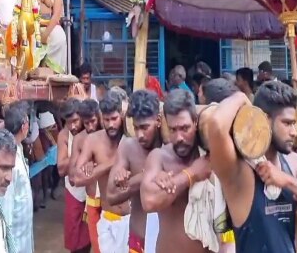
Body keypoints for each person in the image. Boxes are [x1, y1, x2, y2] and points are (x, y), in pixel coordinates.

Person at [208, 81, 297, 253]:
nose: (294, 132)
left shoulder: (293, 163)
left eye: (295, 124)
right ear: (264, 120)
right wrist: (242, 97)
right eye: (287, 124)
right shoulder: (238, 169)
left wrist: (287, 182)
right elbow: (216, 124)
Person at [141, 89, 210, 253]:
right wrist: (190, 175)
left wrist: (172, 183)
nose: (179, 137)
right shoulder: (159, 157)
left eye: (184, 128)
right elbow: (149, 201)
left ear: (195, 122)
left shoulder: (210, 157)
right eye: (173, 130)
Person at [107, 90, 162, 253]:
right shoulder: (129, 147)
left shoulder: (170, 148)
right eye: (136, 128)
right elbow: (111, 196)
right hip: (138, 240)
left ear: (158, 120)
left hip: (166, 243)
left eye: (145, 127)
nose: (140, 135)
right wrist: (144, 177)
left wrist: (129, 183)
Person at [73, 92, 130, 253]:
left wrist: (96, 168)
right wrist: (112, 163)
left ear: (122, 115)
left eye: (114, 119)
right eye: (106, 119)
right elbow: (77, 178)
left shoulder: (132, 139)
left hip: (133, 220)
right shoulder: (93, 141)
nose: (111, 124)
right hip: (108, 218)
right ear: (100, 117)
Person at [56, 99, 90, 253]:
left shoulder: (92, 129)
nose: (73, 126)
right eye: (68, 122)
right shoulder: (64, 135)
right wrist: (81, 155)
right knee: (75, 240)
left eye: (76, 121)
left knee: (94, 237)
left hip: (92, 193)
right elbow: (61, 169)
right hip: (74, 192)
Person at [67, 99, 100, 252]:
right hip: (92, 201)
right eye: (86, 123)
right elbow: (73, 176)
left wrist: (93, 166)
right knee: (96, 245)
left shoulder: (109, 134)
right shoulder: (80, 139)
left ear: (98, 116)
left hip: (110, 204)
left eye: (93, 121)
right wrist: (84, 165)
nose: (90, 127)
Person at [0, 101, 34, 253]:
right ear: (24, 126)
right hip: (14, 235)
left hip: (23, 228)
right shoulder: (10, 159)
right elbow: (6, 203)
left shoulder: (17, 148)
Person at [36, 0, 66, 74]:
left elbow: (56, 14)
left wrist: (45, 35)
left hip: (51, 25)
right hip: (34, 24)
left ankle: (53, 72)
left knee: (60, 38)